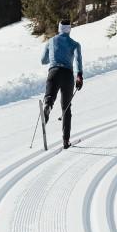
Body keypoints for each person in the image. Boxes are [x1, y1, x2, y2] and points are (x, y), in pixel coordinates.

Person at [39, 20, 84, 149]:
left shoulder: (51, 41)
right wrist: (79, 76)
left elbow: (43, 60)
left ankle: (47, 107)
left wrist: (53, 56)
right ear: (69, 29)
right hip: (68, 76)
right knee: (66, 108)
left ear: (59, 28)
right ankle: (66, 141)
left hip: (53, 72)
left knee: (49, 97)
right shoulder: (75, 44)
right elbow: (78, 60)